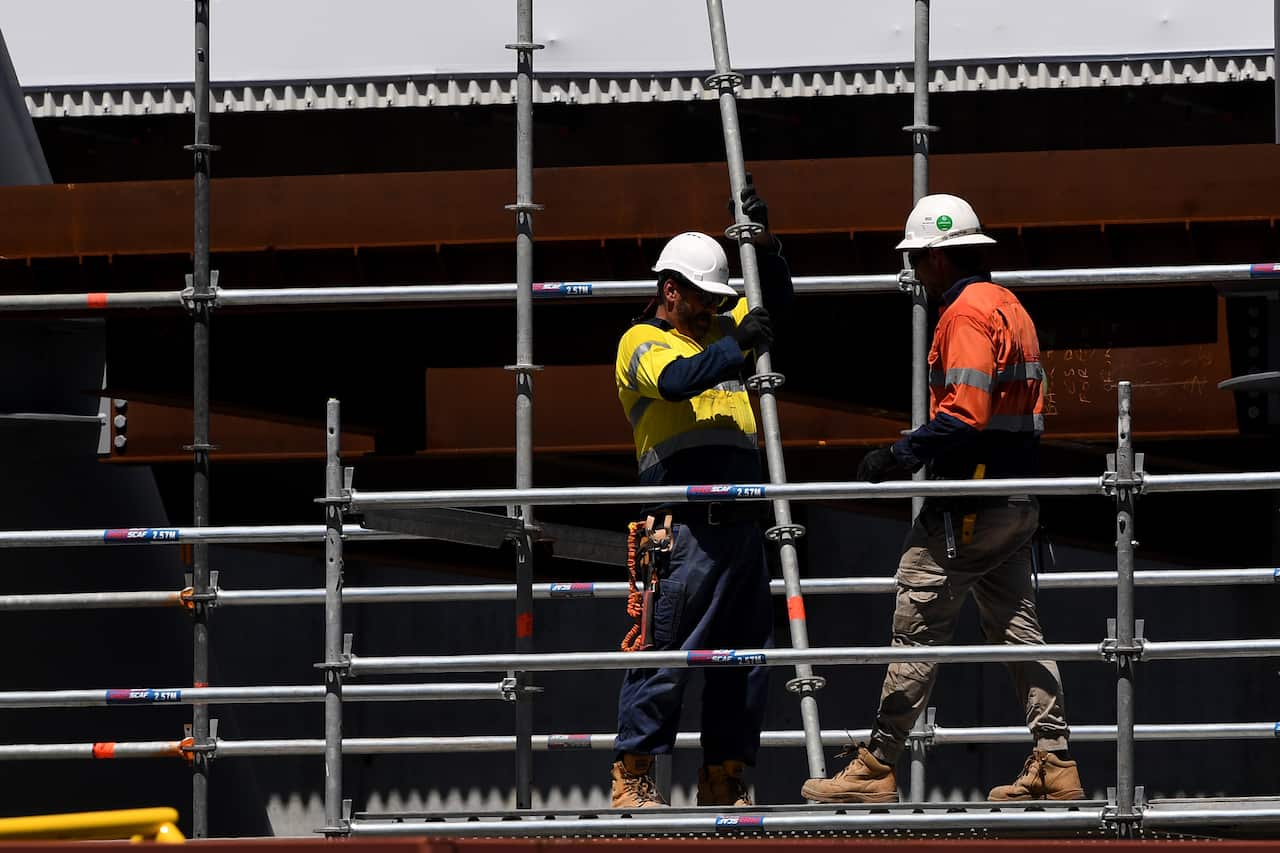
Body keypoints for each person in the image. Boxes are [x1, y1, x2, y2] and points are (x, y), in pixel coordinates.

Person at [801, 193, 1084, 804]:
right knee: (1017, 629)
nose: (914, 274)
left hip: (969, 503)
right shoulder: (1012, 307)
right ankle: (1056, 762)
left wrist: (898, 455)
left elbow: (965, 413)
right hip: (1013, 499)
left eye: (916, 261)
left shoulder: (963, 316)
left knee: (917, 616)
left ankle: (875, 765)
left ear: (935, 258)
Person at [609, 183, 792, 809]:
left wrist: (763, 249)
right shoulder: (643, 341)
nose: (717, 306)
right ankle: (634, 774)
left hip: (740, 521)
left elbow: (774, 309)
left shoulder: (718, 327)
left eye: (721, 297)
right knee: (662, 650)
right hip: (678, 524)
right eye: (705, 296)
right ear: (671, 291)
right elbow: (677, 380)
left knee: (744, 659)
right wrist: (736, 344)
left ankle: (725, 776)